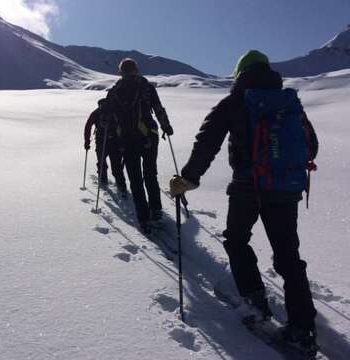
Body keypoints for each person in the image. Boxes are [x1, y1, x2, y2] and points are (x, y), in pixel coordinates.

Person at [169, 50, 319, 353]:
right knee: (289, 256)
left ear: (240, 73)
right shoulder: (289, 102)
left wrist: (189, 179)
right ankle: (303, 328)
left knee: (237, 240)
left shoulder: (234, 101)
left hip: (246, 187)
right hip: (285, 189)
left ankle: (255, 303)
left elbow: (207, 141)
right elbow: (311, 147)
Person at [104, 58, 173, 232]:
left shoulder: (114, 91)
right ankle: (156, 211)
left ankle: (143, 218)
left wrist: (110, 134)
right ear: (136, 69)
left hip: (127, 140)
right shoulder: (146, 87)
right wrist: (166, 126)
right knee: (150, 174)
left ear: (121, 72)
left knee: (135, 179)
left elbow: (107, 118)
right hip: (149, 136)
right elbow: (158, 108)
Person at [84, 99, 127, 195]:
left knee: (101, 162)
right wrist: (123, 142)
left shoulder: (96, 112)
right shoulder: (114, 111)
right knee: (116, 164)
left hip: (101, 140)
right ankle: (121, 185)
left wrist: (87, 141)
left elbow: (88, 126)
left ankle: (103, 181)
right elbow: (123, 125)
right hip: (115, 141)